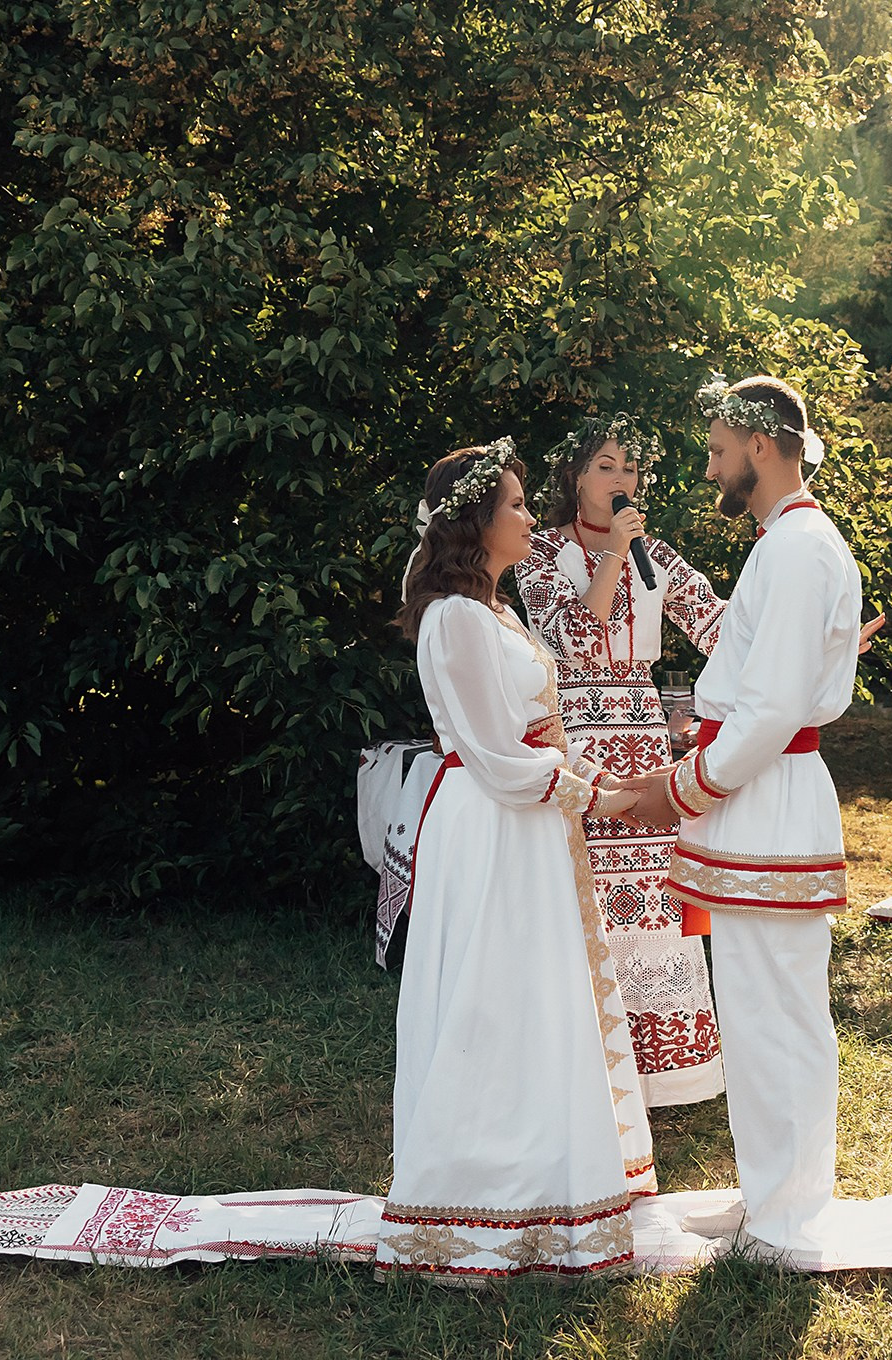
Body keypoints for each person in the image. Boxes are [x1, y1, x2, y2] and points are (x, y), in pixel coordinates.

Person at [374, 440, 657, 1284]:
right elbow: (494, 756)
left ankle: (544, 1169)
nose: (531, 517)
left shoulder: (491, 611)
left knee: (533, 993)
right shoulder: (456, 618)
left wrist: (585, 781)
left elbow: (525, 736)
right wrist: (598, 794)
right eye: (519, 506)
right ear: (476, 523)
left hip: (525, 823)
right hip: (493, 826)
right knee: (493, 995)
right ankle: (477, 1190)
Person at [617, 375, 863, 1258]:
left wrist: (682, 784)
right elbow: (756, 676)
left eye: (719, 450)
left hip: (770, 799)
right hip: (755, 802)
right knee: (756, 1009)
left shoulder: (798, 548)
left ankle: (789, 1219)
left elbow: (770, 712)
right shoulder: (784, 542)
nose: (712, 466)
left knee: (781, 1012)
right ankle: (769, 1197)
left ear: (760, 448)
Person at [513, 414, 731, 1108]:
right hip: (576, 732)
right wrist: (611, 552)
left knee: (650, 901)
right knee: (586, 894)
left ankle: (666, 1073)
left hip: (641, 733)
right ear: (575, 477)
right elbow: (577, 636)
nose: (620, 480)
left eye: (629, 469)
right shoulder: (538, 551)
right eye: (606, 466)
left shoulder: (655, 554)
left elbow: (719, 625)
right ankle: (587, 1075)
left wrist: (818, 638)